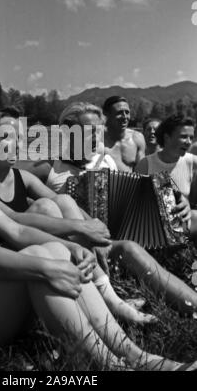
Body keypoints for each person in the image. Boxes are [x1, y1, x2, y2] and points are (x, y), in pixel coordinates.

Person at [0, 120, 189, 371]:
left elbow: (16, 229)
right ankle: (111, 365)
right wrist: (46, 266)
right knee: (41, 258)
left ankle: (136, 355)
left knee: (51, 251)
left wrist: (71, 248)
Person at [0, 108, 155, 325]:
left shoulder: (22, 176)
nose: (17, 145)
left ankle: (108, 297)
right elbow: (13, 220)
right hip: (8, 264)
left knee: (63, 201)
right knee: (45, 207)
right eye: (7, 138)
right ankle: (108, 301)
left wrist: (94, 225)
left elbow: (67, 204)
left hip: (40, 252)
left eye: (20, 138)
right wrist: (78, 227)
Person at [16, 102, 197, 315]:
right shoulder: (48, 165)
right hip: (86, 244)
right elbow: (7, 178)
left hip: (126, 226)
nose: (96, 139)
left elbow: (142, 186)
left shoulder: (106, 159)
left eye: (98, 132)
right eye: (88, 133)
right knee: (129, 248)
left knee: (194, 216)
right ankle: (192, 304)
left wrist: (179, 199)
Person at [136, 113, 197, 238]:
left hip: (184, 228)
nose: (189, 142)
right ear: (167, 137)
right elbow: (135, 205)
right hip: (151, 229)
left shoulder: (193, 162)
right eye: (184, 137)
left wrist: (189, 209)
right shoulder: (145, 164)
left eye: (191, 137)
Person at [103, 96, 146, 172]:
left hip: (129, 183)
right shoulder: (93, 137)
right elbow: (80, 168)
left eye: (127, 112)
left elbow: (141, 172)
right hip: (99, 182)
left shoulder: (137, 138)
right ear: (106, 114)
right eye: (119, 113)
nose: (125, 117)